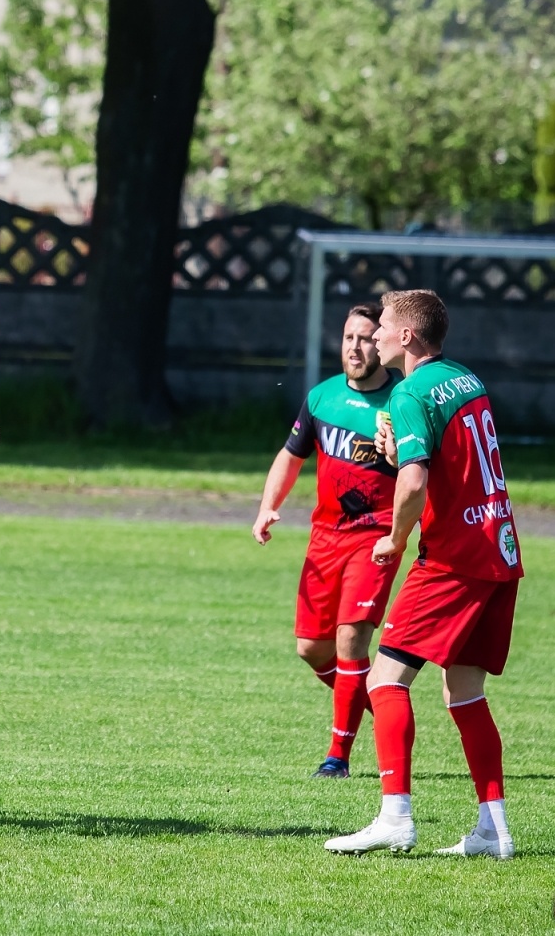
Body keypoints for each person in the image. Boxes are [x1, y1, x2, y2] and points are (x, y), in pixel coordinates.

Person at [323, 289, 523, 859]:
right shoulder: (466, 379)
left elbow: (413, 482)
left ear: (408, 336)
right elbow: (448, 461)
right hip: (499, 550)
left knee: (384, 680)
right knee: (464, 692)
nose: (375, 334)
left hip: (454, 557)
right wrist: (400, 454)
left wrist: (395, 537)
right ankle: (494, 831)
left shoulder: (409, 391)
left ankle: (395, 817)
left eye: (383, 326)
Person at [254, 304, 399, 778]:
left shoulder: (401, 403)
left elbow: (424, 471)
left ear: (382, 345)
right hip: (325, 540)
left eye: (365, 339)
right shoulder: (321, 399)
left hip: (374, 537)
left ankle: (337, 757)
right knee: (311, 649)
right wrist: (268, 506)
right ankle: (376, 702)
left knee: (351, 637)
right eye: (348, 338)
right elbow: (289, 455)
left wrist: (395, 450)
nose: (355, 348)